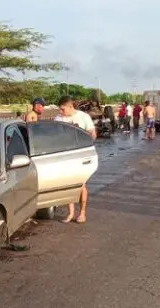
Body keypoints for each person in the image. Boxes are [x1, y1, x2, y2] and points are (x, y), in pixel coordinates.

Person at [54, 95, 96, 224]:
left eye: (62, 109)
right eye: (59, 109)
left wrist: (84, 145)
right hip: (65, 156)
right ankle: (71, 212)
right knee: (68, 184)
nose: (61, 112)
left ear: (70, 106)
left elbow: (92, 134)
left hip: (80, 155)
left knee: (81, 184)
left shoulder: (83, 117)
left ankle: (82, 213)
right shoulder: (58, 118)